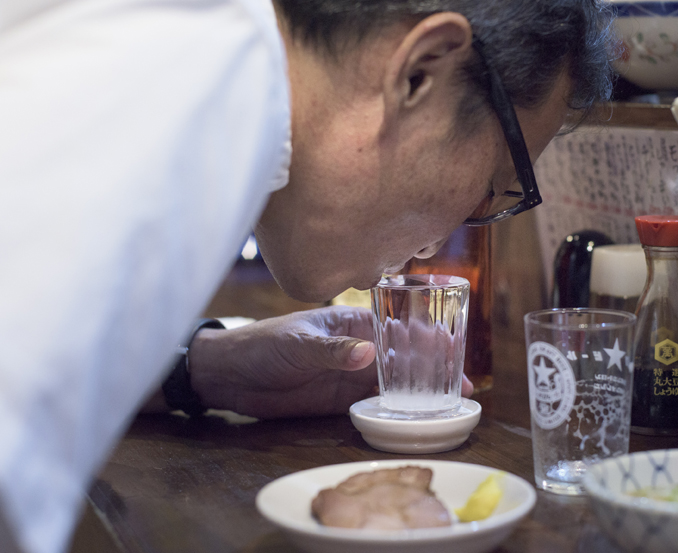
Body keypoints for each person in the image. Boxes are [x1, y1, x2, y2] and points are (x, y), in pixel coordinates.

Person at [0, 0, 614, 551]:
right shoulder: (195, 73)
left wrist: (201, 368)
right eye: (492, 188)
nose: (443, 239)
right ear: (420, 70)